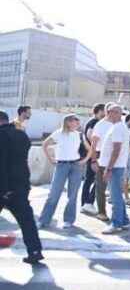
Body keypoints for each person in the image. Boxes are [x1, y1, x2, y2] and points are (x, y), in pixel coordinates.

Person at [0, 109, 44, 264]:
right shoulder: (22, 135)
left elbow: (2, 165)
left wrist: (4, 189)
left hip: (4, 186)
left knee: (26, 219)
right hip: (21, 184)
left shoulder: (2, 136)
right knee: (27, 221)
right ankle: (35, 251)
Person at [36, 114, 89, 229]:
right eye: (75, 121)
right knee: (54, 194)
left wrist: (84, 160)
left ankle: (69, 220)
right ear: (68, 122)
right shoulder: (58, 133)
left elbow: (90, 149)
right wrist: (50, 158)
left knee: (72, 195)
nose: (78, 123)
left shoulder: (80, 135)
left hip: (76, 166)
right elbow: (45, 145)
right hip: (61, 165)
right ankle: (43, 220)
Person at [97, 105, 130, 234]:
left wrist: (109, 169)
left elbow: (116, 150)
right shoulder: (118, 127)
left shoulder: (117, 128)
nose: (106, 114)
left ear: (116, 113)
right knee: (117, 195)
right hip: (116, 166)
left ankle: (116, 224)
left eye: (108, 112)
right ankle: (124, 221)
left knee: (115, 196)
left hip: (115, 167)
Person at [88, 102, 116, 222]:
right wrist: (94, 160)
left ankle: (117, 211)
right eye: (112, 110)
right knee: (101, 185)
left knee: (116, 185)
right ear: (106, 111)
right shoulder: (100, 125)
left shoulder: (118, 123)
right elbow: (94, 144)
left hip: (115, 156)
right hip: (101, 155)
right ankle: (101, 212)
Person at [80, 103, 105, 215]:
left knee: (89, 179)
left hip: (91, 153)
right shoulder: (95, 121)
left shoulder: (91, 121)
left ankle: (85, 204)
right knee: (99, 179)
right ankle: (89, 202)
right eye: (105, 111)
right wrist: (99, 145)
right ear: (100, 111)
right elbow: (90, 135)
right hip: (95, 154)